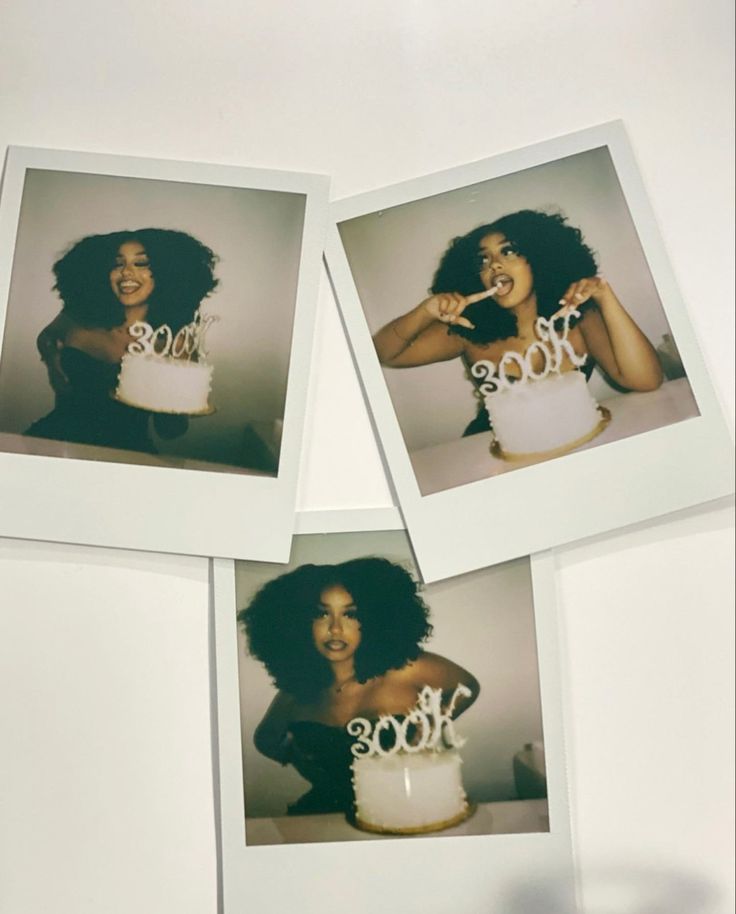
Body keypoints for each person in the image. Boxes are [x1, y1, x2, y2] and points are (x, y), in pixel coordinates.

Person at [372, 210, 663, 435]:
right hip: (492, 450)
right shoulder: (469, 330)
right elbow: (383, 354)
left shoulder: (579, 319)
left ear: (539, 258)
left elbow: (646, 381)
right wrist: (425, 311)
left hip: (576, 438)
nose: (493, 265)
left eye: (508, 251)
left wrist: (604, 296)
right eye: (482, 260)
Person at [239, 557, 480, 816]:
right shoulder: (297, 693)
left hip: (403, 811)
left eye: (350, 614)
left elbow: (467, 687)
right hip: (324, 817)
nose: (335, 628)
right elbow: (264, 738)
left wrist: (433, 722)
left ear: (375, 620)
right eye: (321, 614)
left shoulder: (406, 670)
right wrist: (294, 756)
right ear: (299, 622)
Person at [27, 228, 218, 452]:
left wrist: (169, 398)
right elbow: (46, 337)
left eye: (141, 263)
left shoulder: (175, 345)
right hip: (56, 441)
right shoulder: (77, 316)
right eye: (117, 264)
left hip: (125, 454)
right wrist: (53, 367)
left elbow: (170, 432)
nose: (126, 272)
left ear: (167, 272)